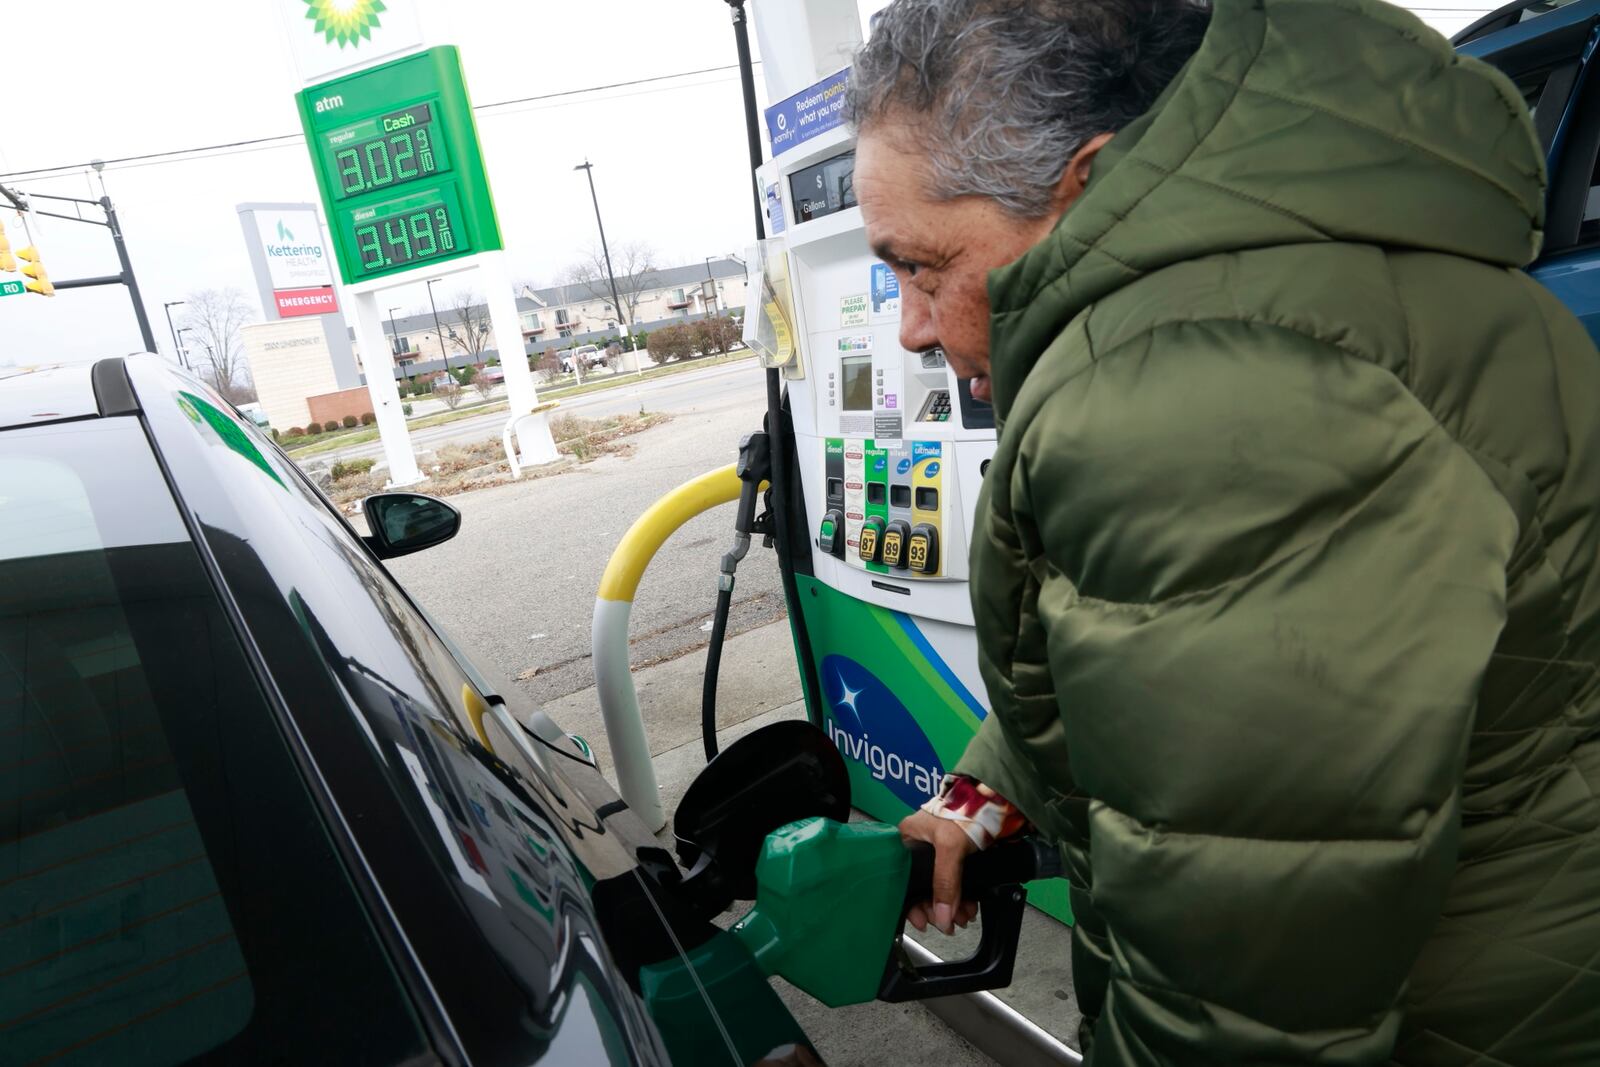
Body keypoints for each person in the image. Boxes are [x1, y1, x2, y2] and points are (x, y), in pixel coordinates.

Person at [846, 0, 1600, 1063]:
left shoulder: (1186, 394)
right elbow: (1162, 668)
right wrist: (981, 796)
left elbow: (1246, 964)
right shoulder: (1316, 271)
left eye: (922, 266)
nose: (913, 327)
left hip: (1470, 1009)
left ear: (1088, 180)